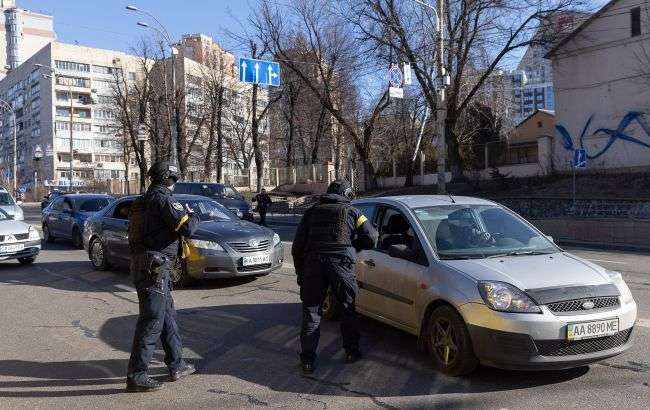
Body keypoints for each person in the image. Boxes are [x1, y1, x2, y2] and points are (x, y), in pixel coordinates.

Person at [125, 161, 200, 393]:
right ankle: (137, 375)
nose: (175, 184)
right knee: (152, 321)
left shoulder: (141, 201)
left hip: (145, 264)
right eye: (174, 179)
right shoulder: (163, 198)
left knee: (167, 316)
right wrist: (192, 215)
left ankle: (176, 364)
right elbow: (187, 228)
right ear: (168, 178)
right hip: (155, 267)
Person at [292, 180, 378, 374]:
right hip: (341, 266)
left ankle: (307, 361)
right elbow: (372, 238)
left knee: (312, 314)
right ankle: (351, 352)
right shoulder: (353, 212)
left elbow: (297, 248)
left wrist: (301, 273)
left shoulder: (310, 213)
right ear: (347, 195)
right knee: (348, 309)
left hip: (313, 267)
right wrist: (354, 245)